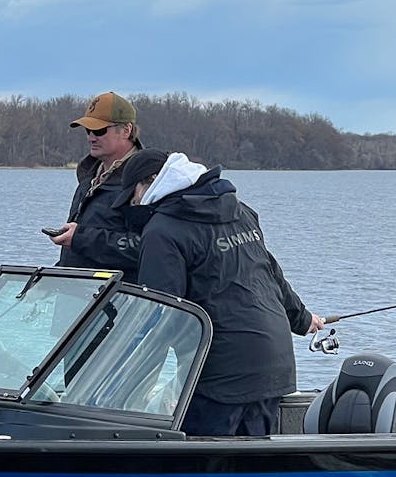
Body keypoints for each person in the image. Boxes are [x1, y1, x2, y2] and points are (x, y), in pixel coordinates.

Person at [113, 149, 326, 436]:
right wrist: (302, 319)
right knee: (250, 466)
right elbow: (272, 275)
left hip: (219, 373)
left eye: (132, 193)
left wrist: (124, 386)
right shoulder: (240, 211)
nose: (133, 202)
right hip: (273, 362)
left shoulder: (162, 231)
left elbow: (162, 315)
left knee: (203, 462)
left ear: (151, 182)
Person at [49, 91, 144, 280]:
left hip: (119, 304)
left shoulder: (146, 181)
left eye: (100, 131)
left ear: (126, 130)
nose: (91, 137)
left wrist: (81, 238)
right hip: (77, 298)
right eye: (88, 130)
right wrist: (50, 280)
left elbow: (145, 248)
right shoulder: (89, 178)